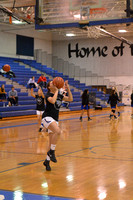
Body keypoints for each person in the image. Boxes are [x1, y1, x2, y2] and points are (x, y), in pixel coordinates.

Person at [40, 80, 73, 171]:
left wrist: (68, 87)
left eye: (54, 82)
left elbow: (70, 99)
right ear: (49, 87)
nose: (53, 83)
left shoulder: (59, 95)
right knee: (58, 131)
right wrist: (58, 90)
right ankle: (52, 152)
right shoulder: (48, 95)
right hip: (47, 118)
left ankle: (47, 161)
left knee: (50, 143)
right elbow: (53, 100)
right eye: (51, 83)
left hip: (55, 120)